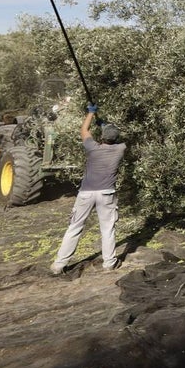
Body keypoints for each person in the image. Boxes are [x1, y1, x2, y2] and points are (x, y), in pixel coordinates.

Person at [50, 104, 127, 274]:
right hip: (107, 194)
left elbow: (84, 130)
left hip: (85, 194)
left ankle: (59, 265)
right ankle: (109, 263)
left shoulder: (93, 148)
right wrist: (104, 125)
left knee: (75, 227)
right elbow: (116, 138)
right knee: (107, 228)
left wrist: (91, 114)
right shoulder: (120, 149)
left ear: (102, 137)